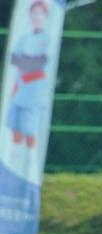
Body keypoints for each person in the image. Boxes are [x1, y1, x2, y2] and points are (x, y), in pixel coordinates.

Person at [6, 0, 50, 155]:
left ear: (45, 16)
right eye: (34, 12)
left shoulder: (47, 38)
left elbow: (40, 62)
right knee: (15, 128)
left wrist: (27, 62)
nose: (36, 16)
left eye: (40, 13)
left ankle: (31, 162)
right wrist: (29, 62)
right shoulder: (24, 38)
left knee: (30, 130)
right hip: (18, 91)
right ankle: (12, 164)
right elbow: (13, 59)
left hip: (34, 93)